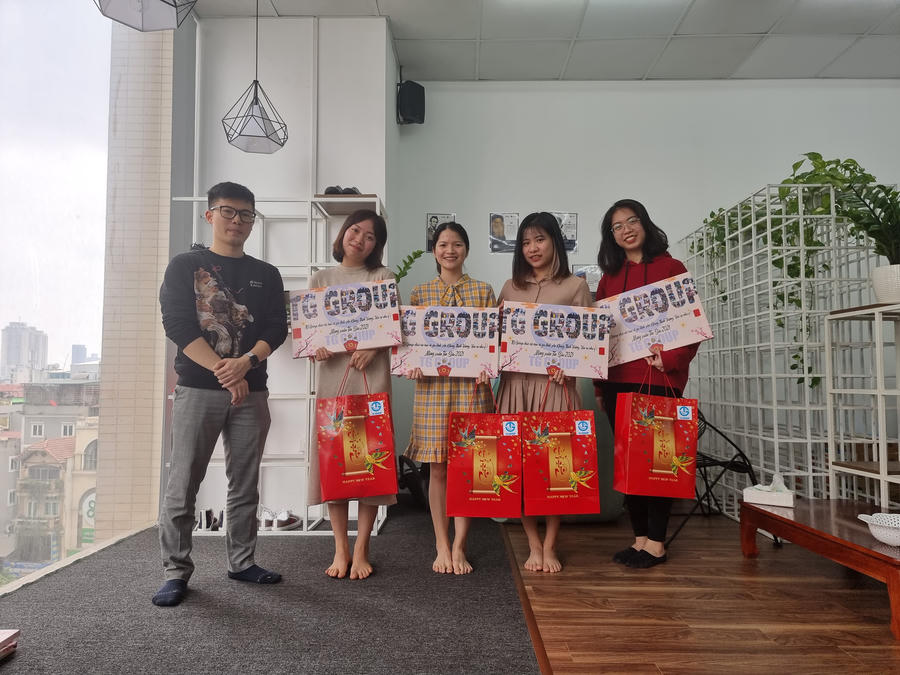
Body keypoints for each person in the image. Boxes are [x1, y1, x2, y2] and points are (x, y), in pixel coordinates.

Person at [154, 181, 287, 607]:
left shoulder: (267, 274)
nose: (236, 221)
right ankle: (176, 572)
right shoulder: (185, 265)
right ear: (210, 215)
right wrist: (226, 372)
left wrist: (246, 363)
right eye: (228, 211)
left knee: (245, 482)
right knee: (183, 483)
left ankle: (242, 562)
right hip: (198, 388)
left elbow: (276, 328)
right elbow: (177, 325)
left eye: (245, 214)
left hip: (253, 389)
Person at [594, 198, 699, 569]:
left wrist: (670, 360)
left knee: (658, 463)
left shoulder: (672, 268)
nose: (626, 230)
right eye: (617, 226)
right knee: (629, 463)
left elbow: (691, 327)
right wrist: (599, 387)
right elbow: (600, 338)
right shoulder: (608, 279)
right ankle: (639, 539)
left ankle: (657, 543)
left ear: (645, 223)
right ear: (611, 236)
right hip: (617, 382)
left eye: (632, 221)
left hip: (657, 379)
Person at [496, 211, 593, 573]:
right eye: (525, 242)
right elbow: (496, 338)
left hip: (555, 387)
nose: (532, 248)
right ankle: (532, 543)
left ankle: (550, 544)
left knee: (556, 467)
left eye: (540, 239)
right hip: (515, 386)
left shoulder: (575, 287)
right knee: (518, 465)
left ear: (555, 242)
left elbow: (588, 344)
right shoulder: (510, 287)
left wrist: (570, 367)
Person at [404, 222, 496, 575]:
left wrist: (489, 366)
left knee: (467, 467)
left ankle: (460, 544)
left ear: (466, 250)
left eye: (457, 244)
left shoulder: (483, 291)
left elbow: (493, 342)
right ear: (434, 251)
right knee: (438, 468)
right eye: (443, 244)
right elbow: (411, 344)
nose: (450, 250)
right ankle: (441, 543)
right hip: (432, 390)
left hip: (472, 390)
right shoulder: (420, 293)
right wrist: (412, 364)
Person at [309, 209, 396, 580]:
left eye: (370, 236)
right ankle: (340, 547)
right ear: (343, 233)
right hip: (333, 379)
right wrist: (316, 346)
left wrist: (373, 348)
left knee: (369, 461)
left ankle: (362, 548)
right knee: (336, 462)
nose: (360, 240)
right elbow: (310, 333)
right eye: (355, 231)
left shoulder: (382, 277)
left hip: (370, 378)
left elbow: (393, 326)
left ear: (377, 245)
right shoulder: (321, 279)